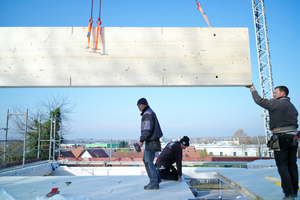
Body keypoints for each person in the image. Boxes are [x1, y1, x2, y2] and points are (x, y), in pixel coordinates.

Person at [247, 85, 298, 200]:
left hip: (281, 138)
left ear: (283, 94)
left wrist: (252, 89)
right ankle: (294, 192)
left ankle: (289, 194)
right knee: (292, 166)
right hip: (293, 139)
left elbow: (259, 101)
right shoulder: (292, 106)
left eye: (275, 93)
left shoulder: (278, 104)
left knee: (282, 165)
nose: (274, 95)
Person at [137, 98, 163, 190]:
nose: (138, 106)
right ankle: (157, 179)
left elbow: (147, 129)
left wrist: (141, 140)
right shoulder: (148, 112)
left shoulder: (147, 114)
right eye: (137, 105)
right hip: (152, 141)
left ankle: (154, 183)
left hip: (151, 141)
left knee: (148, 161)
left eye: (140, 104)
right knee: (146, 160)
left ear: (144, 104)